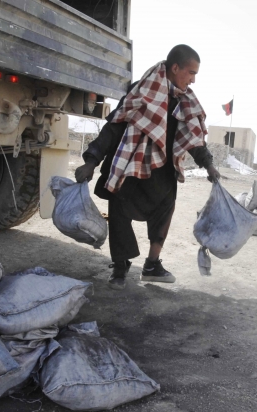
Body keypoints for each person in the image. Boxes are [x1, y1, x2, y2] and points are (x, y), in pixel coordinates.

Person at [74, 44, 220, 290]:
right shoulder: (141, 92)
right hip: (130, 166)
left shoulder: (186, 102)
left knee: (164, 211)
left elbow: (194, 140)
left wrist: (209, 165)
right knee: (119, 211)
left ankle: (152, 265)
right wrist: (91, 161)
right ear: (175, 68)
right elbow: (114, 127)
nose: (193, 80)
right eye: (191, 73)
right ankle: (120, 267)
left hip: (162, 172)